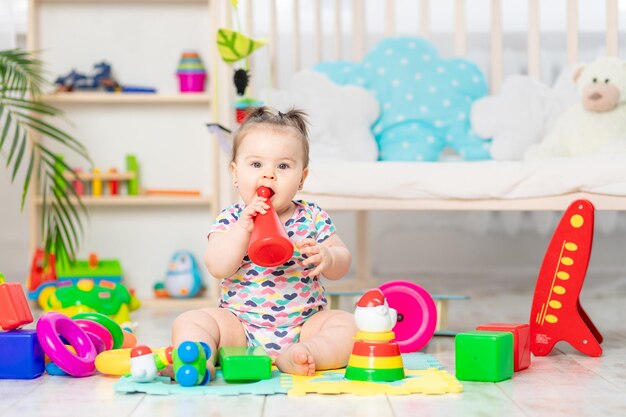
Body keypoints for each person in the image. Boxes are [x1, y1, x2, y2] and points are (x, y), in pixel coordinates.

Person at [171, 107, 357, 379]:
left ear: (302, 178)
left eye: (283, 166)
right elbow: (217, 266)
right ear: (235, 174)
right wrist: (243, 230)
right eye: (256, 164)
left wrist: (328, 256)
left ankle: (305, 353)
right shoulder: (232, 218)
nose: (268, 175)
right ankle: (201, 358)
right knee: (191, 320)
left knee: (347, 325)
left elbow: (342, 260)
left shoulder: (312, 215)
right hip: (240, 327)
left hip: (304, 325)